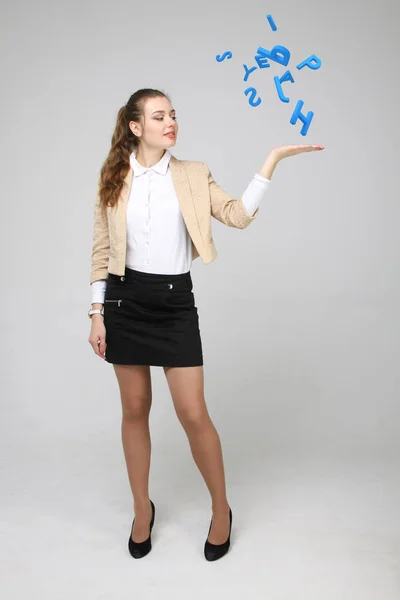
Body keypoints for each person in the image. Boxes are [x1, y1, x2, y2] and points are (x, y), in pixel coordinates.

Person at [88, 88, 324, 561]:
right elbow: (100, 249)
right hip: (124, 300)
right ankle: (141, 510)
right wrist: (97, 312)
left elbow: (237, 215)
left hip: (175, 304)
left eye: (173, 114)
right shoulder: (114, 176)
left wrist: (272, 160)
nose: (171, 122)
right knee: (134, 409)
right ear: (136, 127)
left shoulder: (193, 175)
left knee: (192, 413)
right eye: (159, 116)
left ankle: (221, 510)